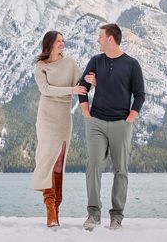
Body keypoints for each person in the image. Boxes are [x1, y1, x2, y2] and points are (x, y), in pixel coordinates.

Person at [78, 23, 145, 231]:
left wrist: (130, 119)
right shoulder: (96, 61)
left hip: (121, 124)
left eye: (100, 36)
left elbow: (140, 95)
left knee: (120, 170)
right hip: (96, 122)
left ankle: (116, 216)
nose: (97, 39)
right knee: (93, 166)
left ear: (110, 39)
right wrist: (86, 112)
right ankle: (93, 214)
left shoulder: (132, 64)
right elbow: (82, 87)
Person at [31, 30, 87, 227]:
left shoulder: (70, 62)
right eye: (58, 41)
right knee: (48, 158)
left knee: (59, 162)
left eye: (63, 41)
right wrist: (72, 90)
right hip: (47, 117)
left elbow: (81, 84)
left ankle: (57, 208)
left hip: (64, 116)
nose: (62, 44)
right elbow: (45, 90)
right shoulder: (41, 66)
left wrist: (92, 80)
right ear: (50, 45)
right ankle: (50, 211)